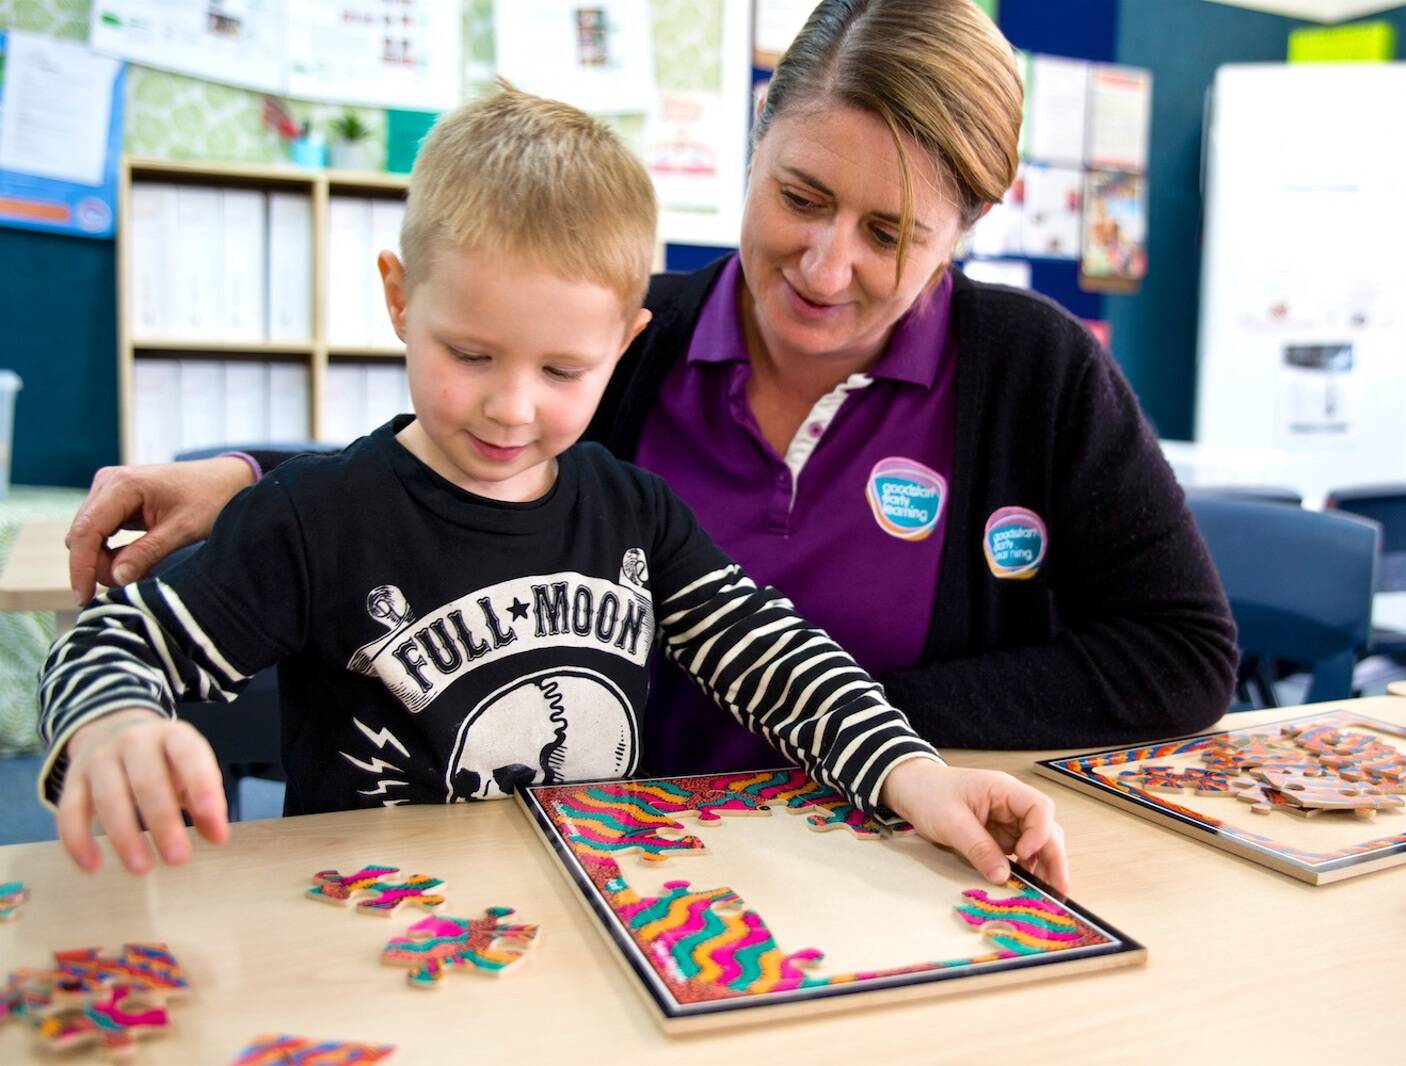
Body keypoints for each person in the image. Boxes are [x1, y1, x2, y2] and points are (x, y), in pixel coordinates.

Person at [65, 0, 1235, 774]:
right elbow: (464, 457)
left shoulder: (1035, 375)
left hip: (867, 838)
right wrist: (250, 477)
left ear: (970, 225)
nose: (826, 268)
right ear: (757, 133)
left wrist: (847, 724)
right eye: (801, 197)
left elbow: (1182, 654)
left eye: (889, 232)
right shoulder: (628, 338)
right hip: (591, 852)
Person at [38, 84, 1068, 892]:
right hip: (364, 937)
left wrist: (914, 776)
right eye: (471, 353)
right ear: (400, 299)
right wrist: (114, 726)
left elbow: (780, 661)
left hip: (591, 921)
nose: (511, 409)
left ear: (624, 345)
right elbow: (108, 640)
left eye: (561, 371)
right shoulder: (319, 519)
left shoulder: (637, 511)